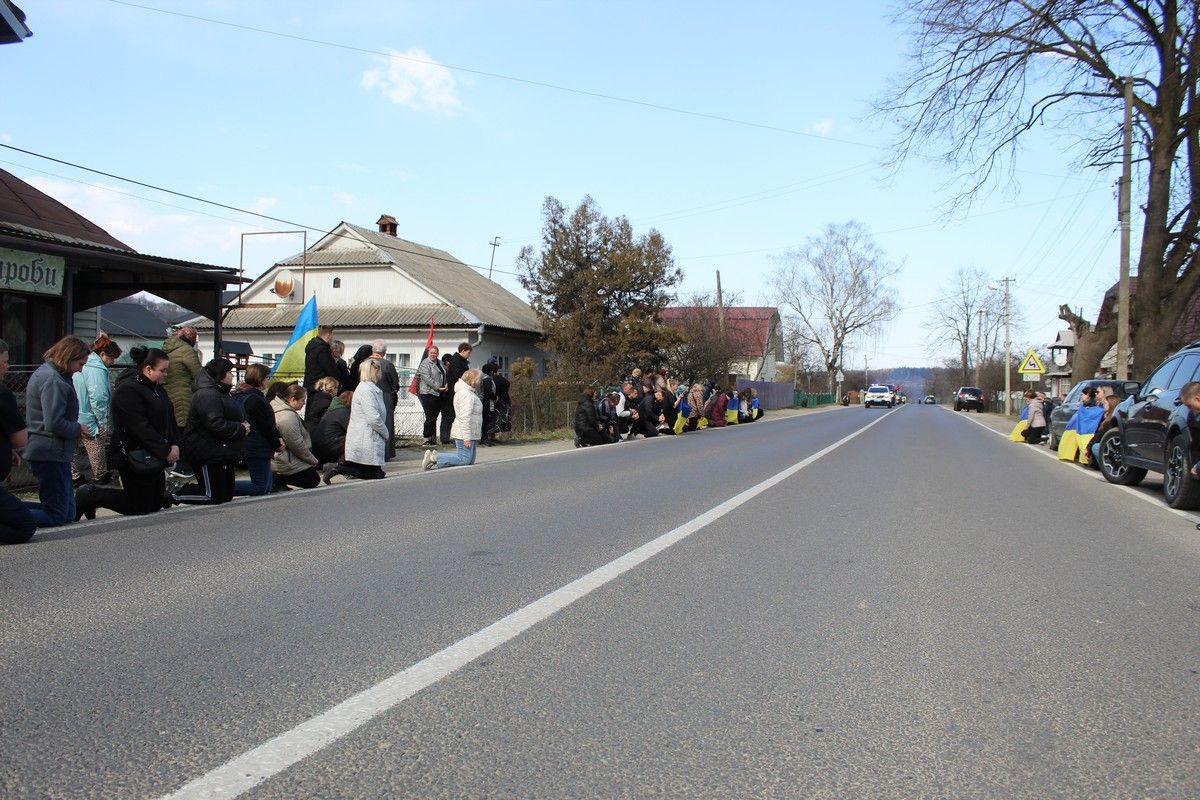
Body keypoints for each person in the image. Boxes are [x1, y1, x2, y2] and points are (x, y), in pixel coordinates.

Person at [74, 346, 181, 519]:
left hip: (155, 453)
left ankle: (95, 496)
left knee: (154, 503)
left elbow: (170, 419)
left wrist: (175, 443)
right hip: (133, 453)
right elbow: (139, 426)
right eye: (162, 370)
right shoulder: (128, 390)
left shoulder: (157, 389)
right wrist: (165, 449)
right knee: (139, 505)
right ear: (148, 369)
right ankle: (91, 495)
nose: (166, 374)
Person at [22, 336, 88, 527]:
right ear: (68, 357)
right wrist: (77, 428)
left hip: (54, 452)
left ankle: (12, 510)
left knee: (68, 512)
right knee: (57, 515)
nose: (80, 369)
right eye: (79, 363)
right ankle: (11, 514)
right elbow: (53, 422)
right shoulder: (54, 380)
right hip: (49, 452)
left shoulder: (53, 375)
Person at [173, 358, 249, 505]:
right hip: (205, 450)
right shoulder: (206, 394)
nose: (232, 375)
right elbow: (215, 423)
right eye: (229, 372)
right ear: (219, 374)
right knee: (212, 496)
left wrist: (242, 425)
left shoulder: (223, 393)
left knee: (226, 495)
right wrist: (240, 428)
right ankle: (173, 495)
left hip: (221, 450)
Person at [72, 334, 121, 486]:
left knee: (70, 449)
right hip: (89, 416)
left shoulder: (84, 364)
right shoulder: (97, 369)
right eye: (111, 358)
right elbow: (98, 397)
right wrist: (102, 422)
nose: (112, 362)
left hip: (75, 412)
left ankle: (73, 476)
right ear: (102, 354)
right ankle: (100, 476)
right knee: (95, 445)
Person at [0, 338, 36, 543]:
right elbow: (20, 438)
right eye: (5, 361)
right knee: (25, 525)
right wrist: (10, 445)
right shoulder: (3, 394)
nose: (8, 366)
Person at [332, 358, 389, 481]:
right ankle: (337, 469)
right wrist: (385, 432)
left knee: (377, 472)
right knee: (375, 473)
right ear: (375, 372)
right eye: (378, 371)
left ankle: (338, 469)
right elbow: (373, 417)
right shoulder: (366, 390)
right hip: (366, 436)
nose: (380, 374)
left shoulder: (369, 388)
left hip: (369, 435)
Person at [231, 363, 281, 497]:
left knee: (266, 486)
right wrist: (276, 443)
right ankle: (224, 487)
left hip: (254, 444)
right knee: (260, 486)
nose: (268, 381)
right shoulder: (254, 399)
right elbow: (264, 425)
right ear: (260, 379)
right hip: (256, 444)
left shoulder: (243, 396)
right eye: (267, 377)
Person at [425, 368, 483, 470]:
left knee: (469, 460)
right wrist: (466, 437)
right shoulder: (466, 394)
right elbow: (464, 417)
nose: (480, 382)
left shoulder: (469, 393)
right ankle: (435, 457)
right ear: (473, 380)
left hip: (470, 431)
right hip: (464, 432)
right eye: (479, 380)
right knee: (464, 459)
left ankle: (437, 459)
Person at [163, 326, 201, 477]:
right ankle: (184, 466)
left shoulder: (168, 348)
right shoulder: (187, 351)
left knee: (173, 431)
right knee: (185, 433)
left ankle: (171, 465)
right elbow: (198, 375)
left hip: (168, 395)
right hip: (184, 397)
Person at [271, 383, 322, 489]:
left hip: (285, 456)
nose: (304, 404)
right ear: (293, 399)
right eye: (302, 400)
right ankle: (277, 479)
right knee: (313, 480)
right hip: (286, 459)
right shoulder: (287, 417)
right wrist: (312, 460)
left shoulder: (282, 411)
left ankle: (279, 481)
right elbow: (296, 444)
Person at [369, 340, 400, 460]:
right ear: (385, 352)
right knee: (385, 423)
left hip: (368, 395)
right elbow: (395, 383)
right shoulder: (387, 364)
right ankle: (385, 453)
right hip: (384, 395)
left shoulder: (364, 363)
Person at [440, 342, 472, 445]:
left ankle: (447, 437)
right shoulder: (457, 362)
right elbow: (459, 378)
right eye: (468, 352)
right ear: (462, 351)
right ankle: (445, 438)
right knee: (449, 416)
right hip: (453, 393)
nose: (469, 355)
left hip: (455, 392)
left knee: (452, 416)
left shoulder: (459, 361)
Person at [416, 345, 447, 446]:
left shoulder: (440, 362)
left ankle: (432, 438)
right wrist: (438, 387)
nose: (433, 355)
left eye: (435, 353)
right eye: (431, 353)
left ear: (438, 353)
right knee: (430, 417)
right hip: (428, 393)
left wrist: (446, 384)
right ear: (428, 353)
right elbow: (427, 378)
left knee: (434, 416)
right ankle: (426, 439)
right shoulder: (425, 364)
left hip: (439, 394)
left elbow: (444, 373)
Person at [314, 390, 353, 469]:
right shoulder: (343, 412)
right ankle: (342, 465)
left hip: (319, 446)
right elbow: (352, 430)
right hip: (330, 446)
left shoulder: (331, 410)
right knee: (353, 438)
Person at [304, 325, 339, 389]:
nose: (332, 338)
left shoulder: (312, 346)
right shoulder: (323, 349)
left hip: (309, 385)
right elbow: (330, 369)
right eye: (332, 335)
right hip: (319, 387)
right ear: (328, 335)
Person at [479, 362, 498, 446]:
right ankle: (484, 438)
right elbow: (488, 391)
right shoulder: (486, 378)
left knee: (485, 421)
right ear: (490, 371)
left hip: (484, 402)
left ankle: (484, 438)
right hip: (485, 402)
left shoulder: (482, 377)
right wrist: (495, 398)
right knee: (485, 421)